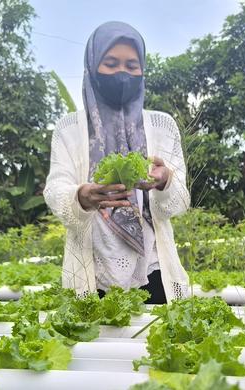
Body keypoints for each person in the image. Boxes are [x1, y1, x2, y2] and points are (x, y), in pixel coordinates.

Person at [44, 21, 190, 304]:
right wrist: (82, 197)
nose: (122, 73)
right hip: (92, 272)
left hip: (154, 270)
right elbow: (55, 190)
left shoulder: (162, 126)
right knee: (93, 347)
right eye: (110, 63)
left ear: (142, 70)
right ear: (92, 66)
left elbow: (180, 202)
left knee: (157, 345)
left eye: (132, 66)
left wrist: (166, 181)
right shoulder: (70, 128)